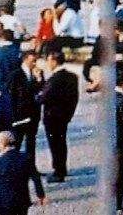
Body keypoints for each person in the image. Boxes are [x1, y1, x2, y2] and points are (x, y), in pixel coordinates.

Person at [40, 54, 80, 182]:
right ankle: (62, 167)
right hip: (64, 116)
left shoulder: (54, 79)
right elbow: (75, 97)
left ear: (54, 61)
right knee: (61, 143)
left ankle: (58, 171)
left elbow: (44, 97)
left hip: (52, 116)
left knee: (55, 144)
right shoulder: (72, 77)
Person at [0, 127, 47, 213]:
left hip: (3, 201)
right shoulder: (26, 157)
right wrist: (41, 195)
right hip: (22, 199)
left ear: (1, 144)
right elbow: (36, 178)